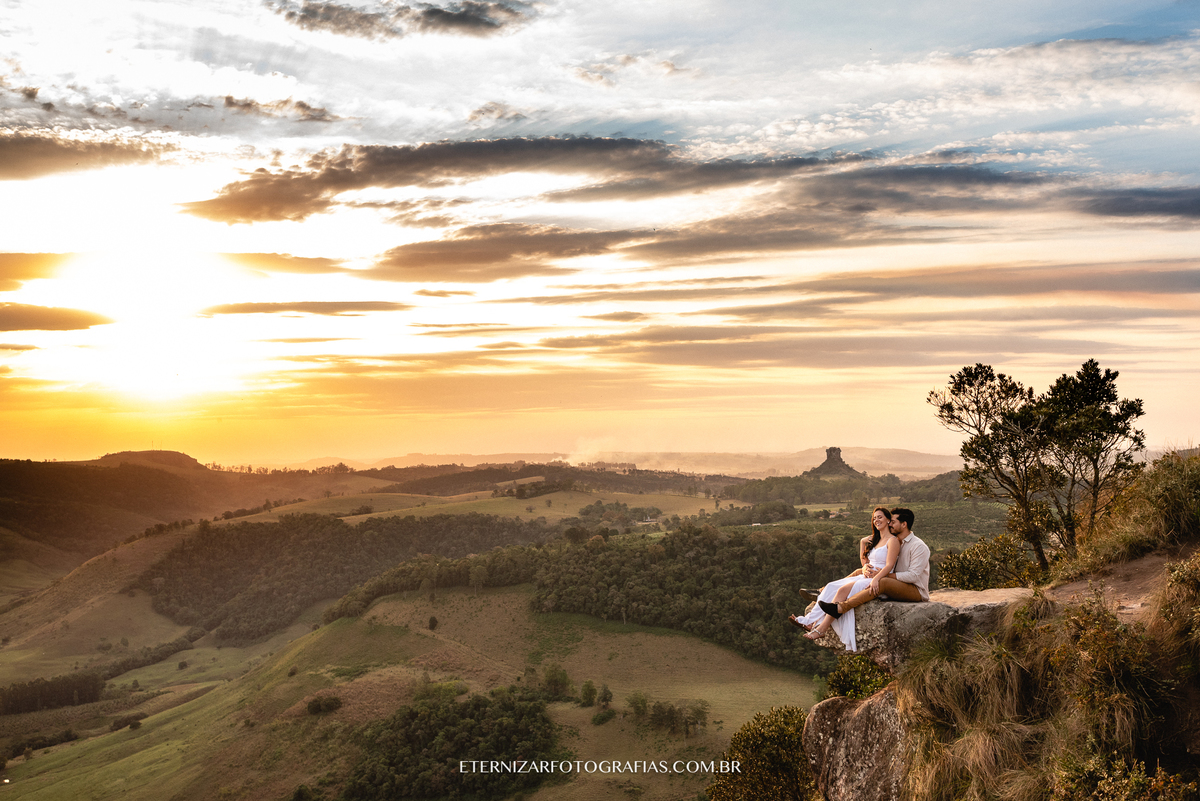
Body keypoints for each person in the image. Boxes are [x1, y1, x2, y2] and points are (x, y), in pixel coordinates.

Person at [788, 507, 896, 651]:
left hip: (879, 579)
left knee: (842, 590)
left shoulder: (892, 540)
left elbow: (889, 565)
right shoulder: (875, 540)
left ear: (888, 520)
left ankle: (822, 629)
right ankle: (809, 621)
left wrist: (877, 578)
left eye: (880, 517)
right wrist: (864, 567)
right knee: (831, 586)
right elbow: (865, 560)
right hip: (865, 575)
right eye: (874, 518)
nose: (876, 520)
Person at [818, 507, 929, 622]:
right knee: (859, 571)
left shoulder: (918, 546)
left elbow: (913, 576)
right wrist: (867, 567)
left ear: (904, 524)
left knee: (882, 581)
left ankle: (842, 607)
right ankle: (826, 590)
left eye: (893, 522)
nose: (890, 524)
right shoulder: (896, 541)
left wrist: (881, 575)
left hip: (915, 590)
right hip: (898, 583)